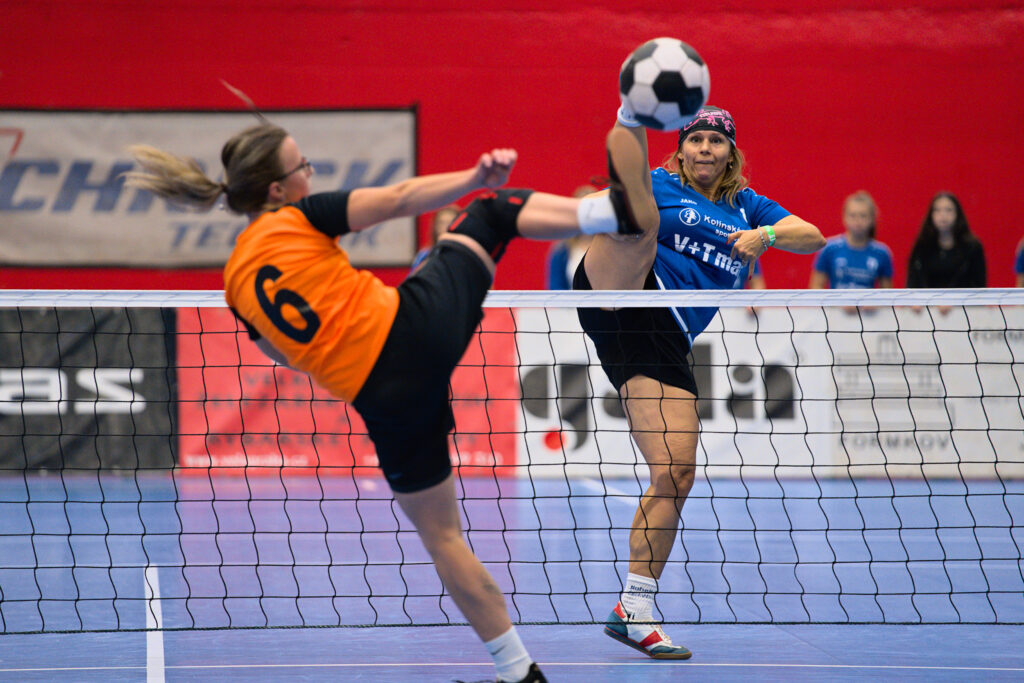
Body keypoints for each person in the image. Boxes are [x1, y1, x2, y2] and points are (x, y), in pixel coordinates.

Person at [125, 121, 650, 683]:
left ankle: (518, 671)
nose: (309, 174)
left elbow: (283, 354)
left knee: (443, 539)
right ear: (277, 189)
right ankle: (612, 213)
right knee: (492, 212)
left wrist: (341, 350)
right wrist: (474, 176)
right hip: (412, 330)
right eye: (303, 167)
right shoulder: (296, 217)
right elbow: (399, 198)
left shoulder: (235, 281)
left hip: (383, 400)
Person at [574, 104, 824, 659]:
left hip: (665, 334)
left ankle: (634, 609)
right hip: (628, 286)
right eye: (696, 140)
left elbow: (812, 237)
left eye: (716, 141)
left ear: (731, 154)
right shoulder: (663, 184)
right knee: (638, 212)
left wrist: (766, 236)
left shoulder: (748, 206)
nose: (706, 148)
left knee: (676, 472)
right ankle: (629, 113)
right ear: (681, 150)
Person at [809, 191, 893, 289]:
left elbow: (887, 293)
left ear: (872, 219)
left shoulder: (882, 253)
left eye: (863, 216)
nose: (858, 221)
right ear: (844, 217)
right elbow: (816, 287)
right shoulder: (829, 249)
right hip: (837, 300)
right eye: (853, 215)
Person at [907, 192, 986, 288]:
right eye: (937, 210)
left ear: (958, 214)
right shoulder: (922, 246)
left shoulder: (972, 247)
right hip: (928, 297)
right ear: (931, 215)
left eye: (948, 210)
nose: (943, 215)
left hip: (963, 297)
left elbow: (979, 284)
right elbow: (912, 282)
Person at [546, 185, 598, 289]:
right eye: (583, 210)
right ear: (575, 212)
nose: (587, 215)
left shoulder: (610, 245)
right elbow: (555, 287)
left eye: (591, 210)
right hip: (568, 300)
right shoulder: (561, 249)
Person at [411, 203, 461, 270]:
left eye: (450, 222)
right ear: (435, 226)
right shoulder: (424, 255)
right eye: (442, 223)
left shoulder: (464, 256)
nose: (446, 227)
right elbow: (414, 276)